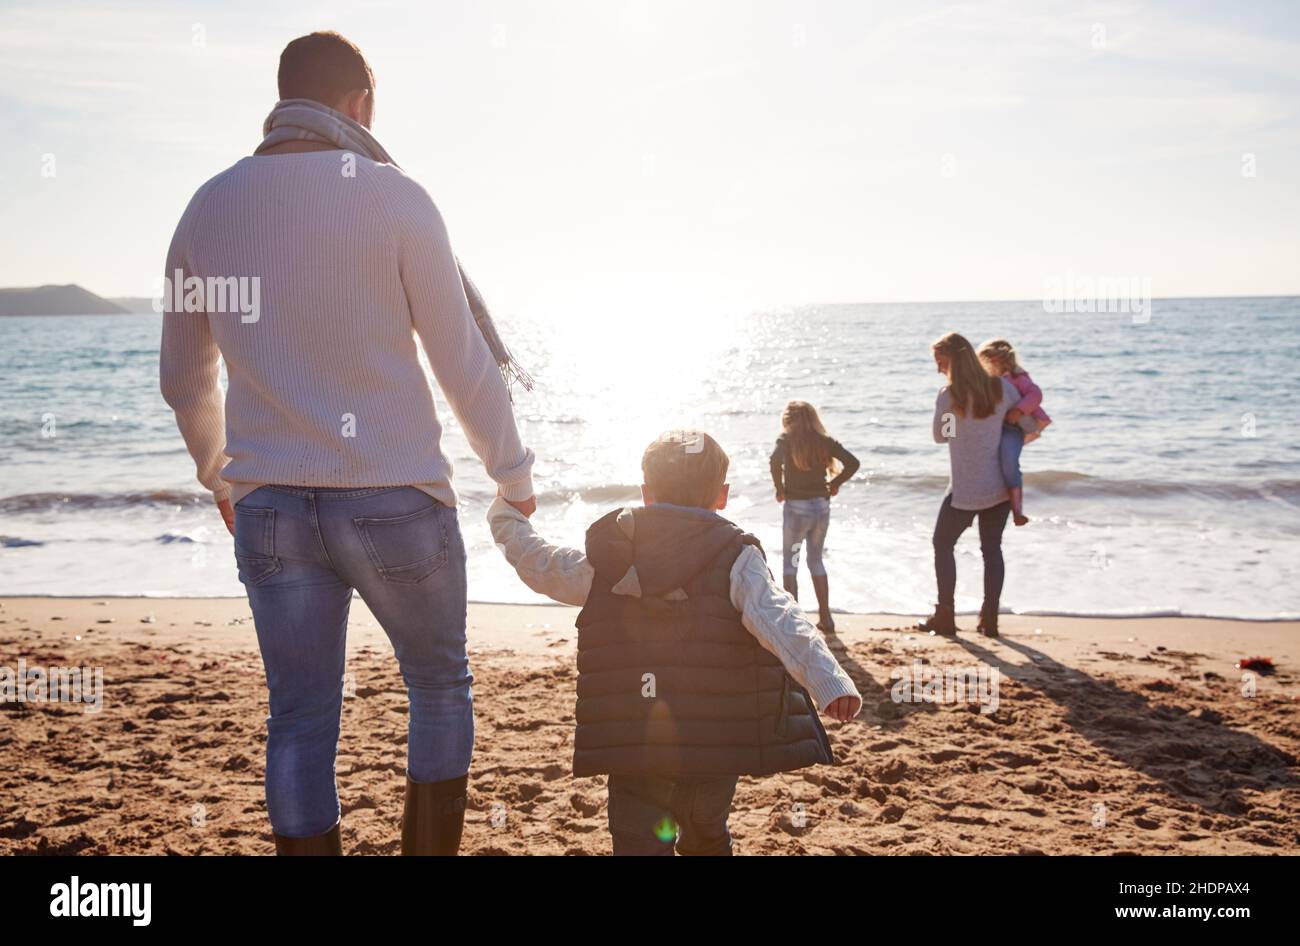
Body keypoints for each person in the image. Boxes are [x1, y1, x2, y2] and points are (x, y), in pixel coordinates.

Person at [159, 31, 536, 855]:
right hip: (395, 497)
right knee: (438, 686)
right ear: (359, 105)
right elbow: (460, 358)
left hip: (270, 511)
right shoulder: (396, 197)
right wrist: (512, 472)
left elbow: (187, 381)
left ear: (283, 95)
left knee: (298, 714)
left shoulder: (208, 205)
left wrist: (221, 476)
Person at [487, 430, 862, 855]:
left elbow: (543, 566)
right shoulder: (737, 554)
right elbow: (780, 618)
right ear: (721, 496)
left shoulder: (614, 553)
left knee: (637, 839)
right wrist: (828, 681)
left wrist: (506, 517)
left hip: (636, 739)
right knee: (706, 833)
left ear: (646, 493)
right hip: (715, 740)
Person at [918, 332, 1019, 639]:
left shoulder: (949, 397)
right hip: (998, 488)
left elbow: (941, 435)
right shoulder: (1001, 388)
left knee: (942, 544)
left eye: (940, 361)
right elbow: (1022, 418)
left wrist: (957, 423)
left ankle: (945, 615)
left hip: (964, 491)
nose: (938, 368)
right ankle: (990, 619)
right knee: (992, 551)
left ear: (954, 361)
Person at [768, 401, 860, 631]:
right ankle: (826, 618)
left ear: (788, 420)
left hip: (796, 509)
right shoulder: (824, 441)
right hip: (821, 507)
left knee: (791, 562)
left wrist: (779, 488)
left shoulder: (786, 440)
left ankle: (794, 620)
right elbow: (853, 463)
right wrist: (835, 483)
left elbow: (773, 460)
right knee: (816, 560)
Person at [977, 338, 1052, 526]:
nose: (985, 366)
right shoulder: (985, 381)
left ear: (999, 360)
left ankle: (1017, 511)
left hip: (1012, 429)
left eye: (988, 361)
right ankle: (983, 498)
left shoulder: (1018, 378)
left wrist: (1019, 409)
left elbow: (1036, 394)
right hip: (992, 428)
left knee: (1009, 462)